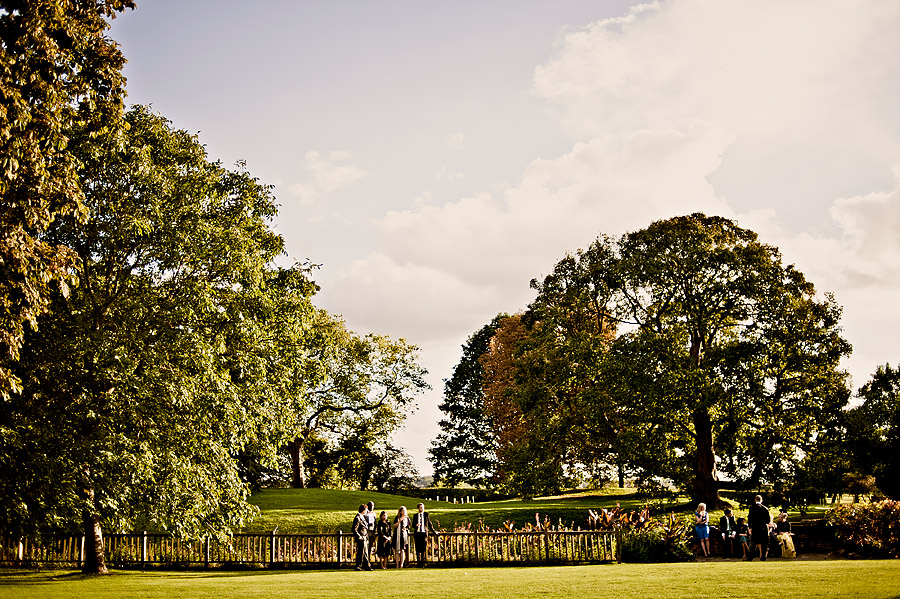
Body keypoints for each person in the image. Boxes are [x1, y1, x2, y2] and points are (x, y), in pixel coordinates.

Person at [411, 502, 438, 567]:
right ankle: (418, 562)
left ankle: (423, 562)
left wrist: (434, 531)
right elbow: (413, 525)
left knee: (423, 548)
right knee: (417, 549)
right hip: (417, 533)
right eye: (420, 507)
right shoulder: (415, 515)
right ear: (418, 508)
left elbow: (429, 523)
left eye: (423, 507)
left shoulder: (426, 514)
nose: (422, 509)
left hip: (423, 533)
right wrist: (416, 525)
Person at [746, 494, 772, 561]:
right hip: (763, 527)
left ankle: (750, 557)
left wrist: (750, 527)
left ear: (755, 500)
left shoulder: (752, 508)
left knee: (753, 543)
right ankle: (763, 557)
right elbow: (768, 520)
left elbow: (750, 518)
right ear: (761, 500)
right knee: (764, 543)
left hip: (755, 527)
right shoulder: (765, 509)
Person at [352, 504, 372, 571]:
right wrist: (359, 536)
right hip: (361, 538)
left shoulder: (363, 517)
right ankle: (358, 566)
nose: (367, 511)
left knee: (365, 552)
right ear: (363, 510)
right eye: (366, 510)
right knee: (361, 552)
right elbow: (354, 529)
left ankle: (366, 566)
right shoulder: (357, 518)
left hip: (364, 537)